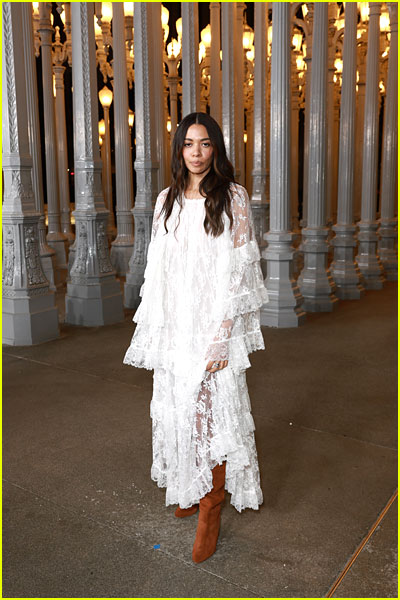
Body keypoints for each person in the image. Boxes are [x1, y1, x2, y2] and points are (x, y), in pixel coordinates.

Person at [123, 112, 268, 563]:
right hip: (176, 324)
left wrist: (224, 336)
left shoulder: (233, 197)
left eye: (205, 144)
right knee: (181, 408)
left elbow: (242, 272)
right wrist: (156, 329)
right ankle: (192, 485)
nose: (197, 153)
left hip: (212, 325)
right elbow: (158, 270)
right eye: (189, 144)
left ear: (216, 148)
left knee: (214, 413)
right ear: (179, 149)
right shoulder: (166, 199)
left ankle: (212, 505)